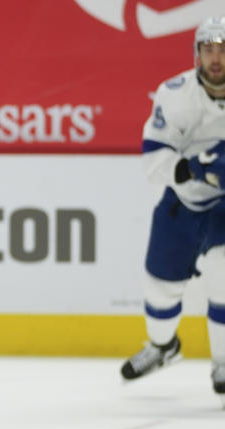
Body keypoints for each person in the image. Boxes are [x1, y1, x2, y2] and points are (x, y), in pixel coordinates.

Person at [121, 16, 225, 406]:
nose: (216, 58)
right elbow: (154, 160)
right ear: (197, 54)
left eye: (223, 50)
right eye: (209, 49)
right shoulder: (175, 93)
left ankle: (222, 364)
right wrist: (197, 166)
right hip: (182, 200)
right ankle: (164, 346)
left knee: (222, 270)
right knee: (159, 286)